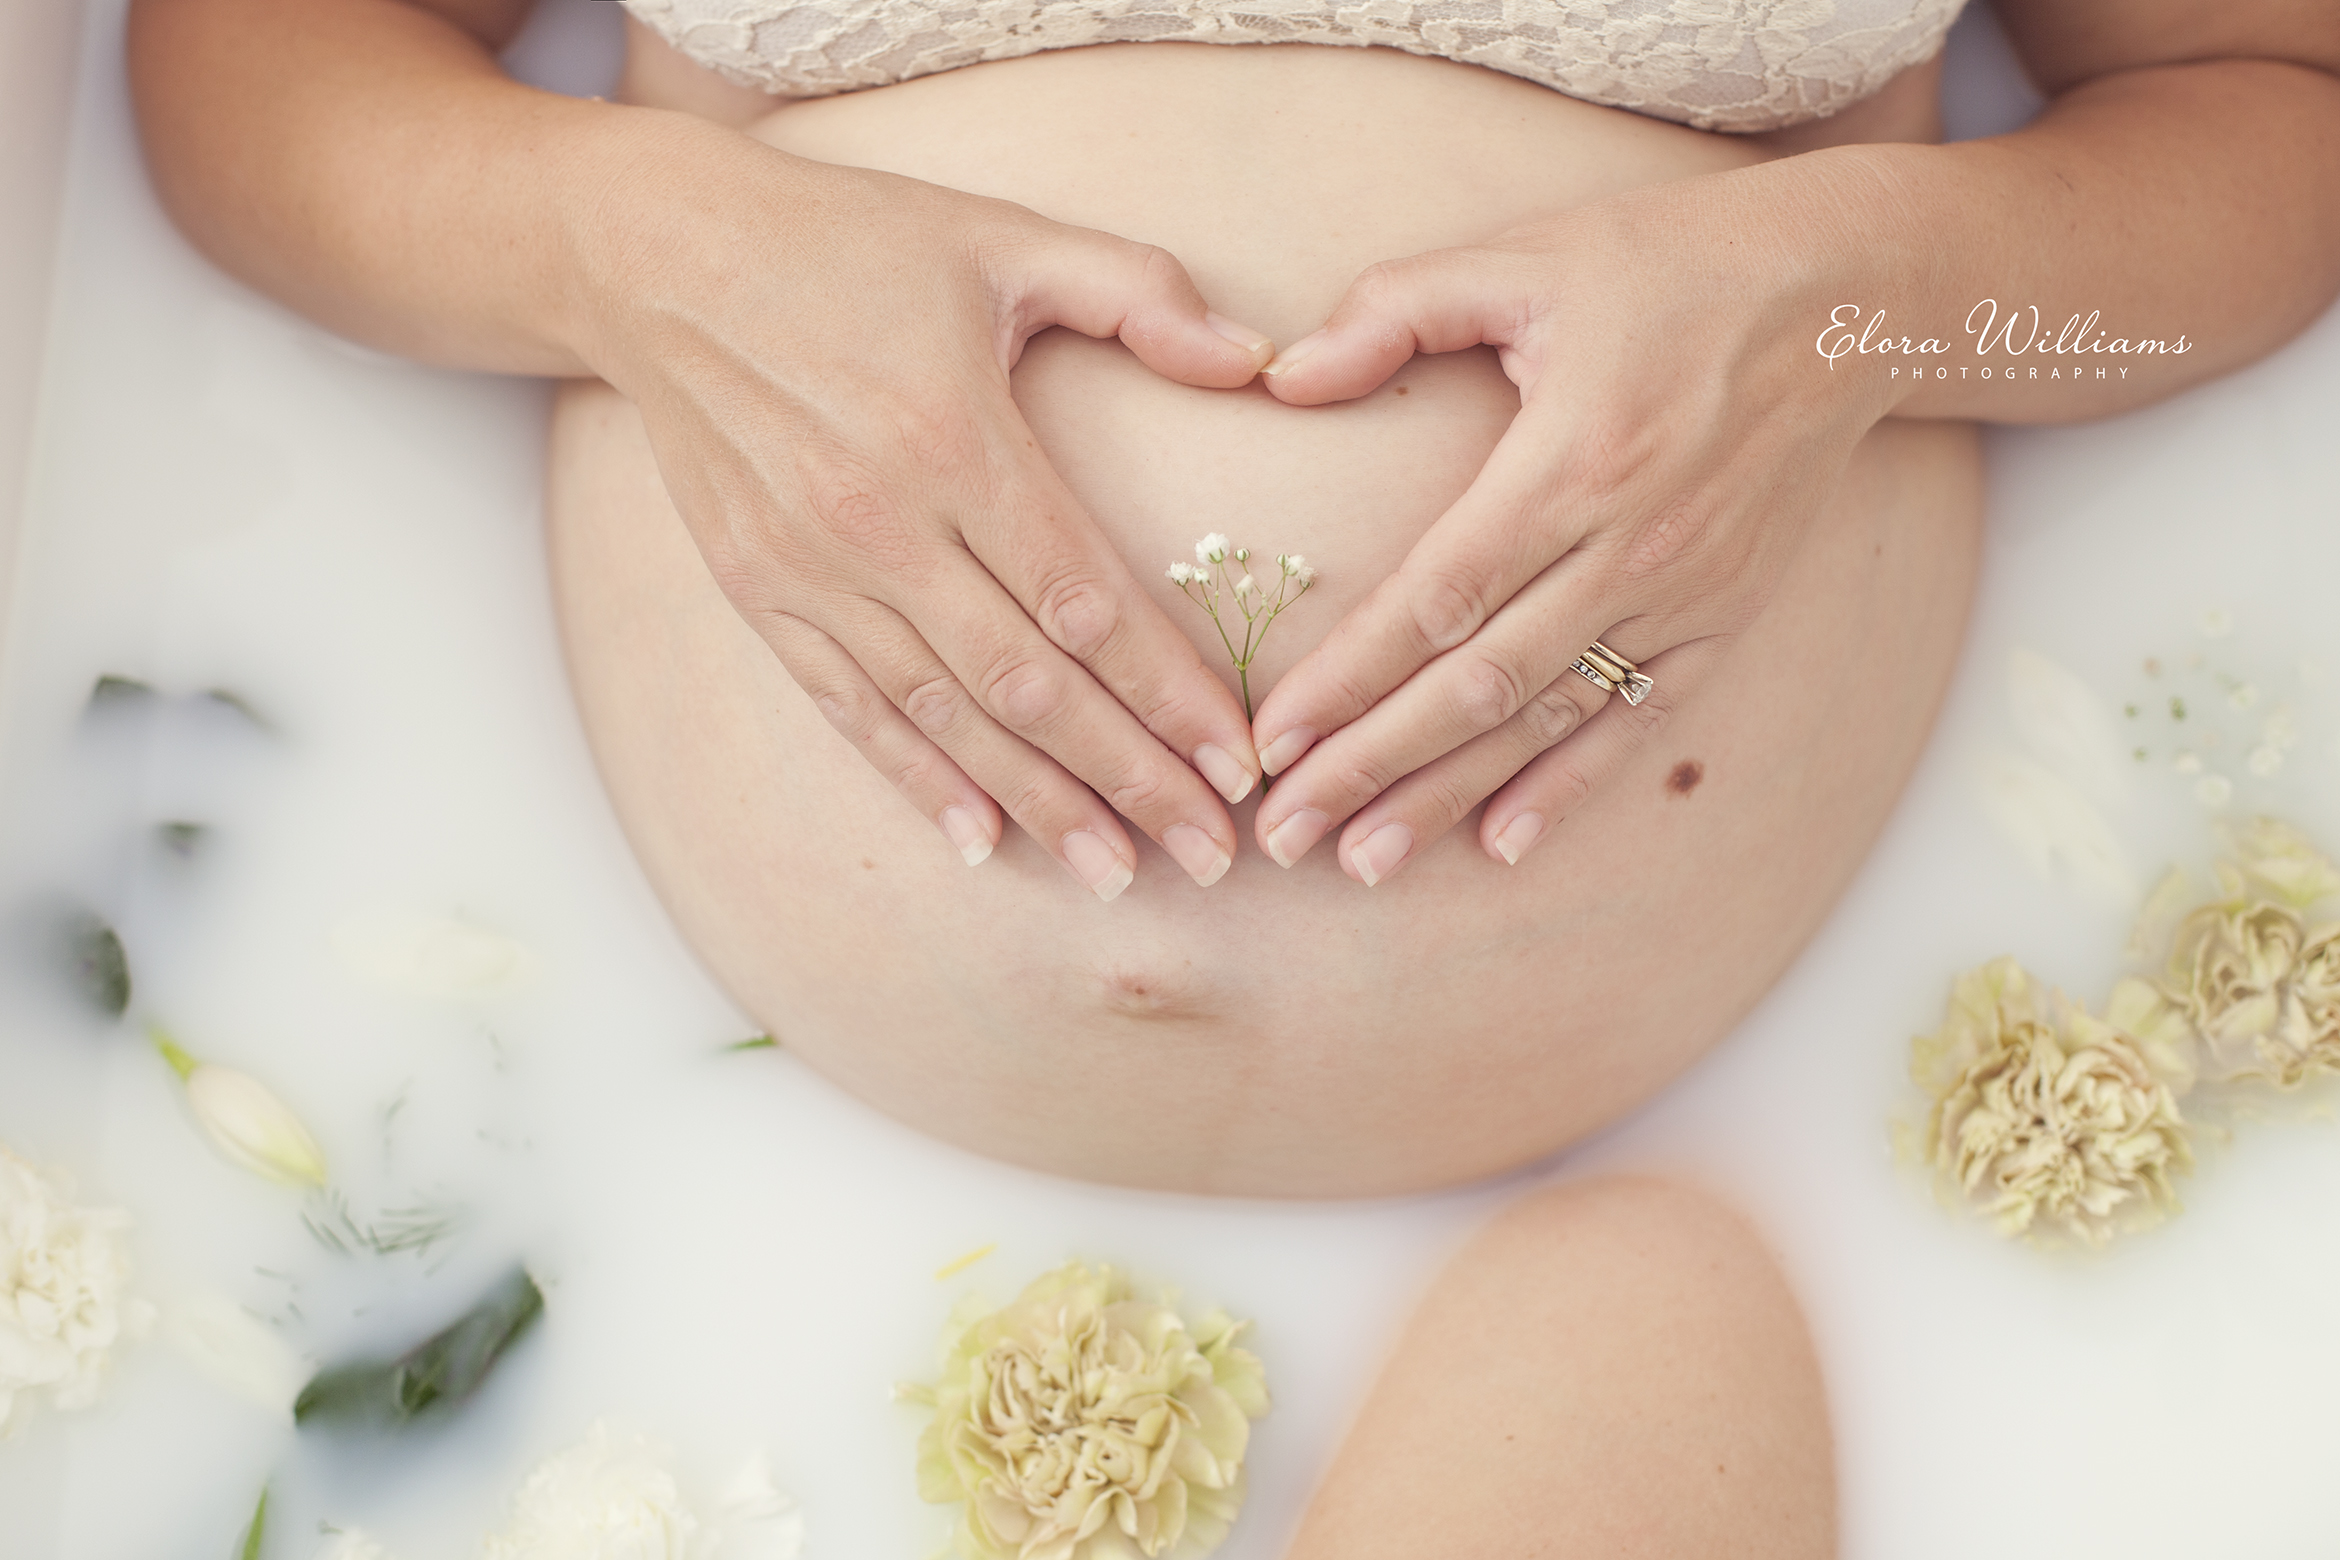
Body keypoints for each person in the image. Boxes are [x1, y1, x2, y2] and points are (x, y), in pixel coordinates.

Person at [125, 2, 2339, 1552]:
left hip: (1732, 1210)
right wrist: (626, 256)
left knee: (1646, 1340)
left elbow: (2275, 118)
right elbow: (248, 63)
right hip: (604, 1252)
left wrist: (1867, 314)